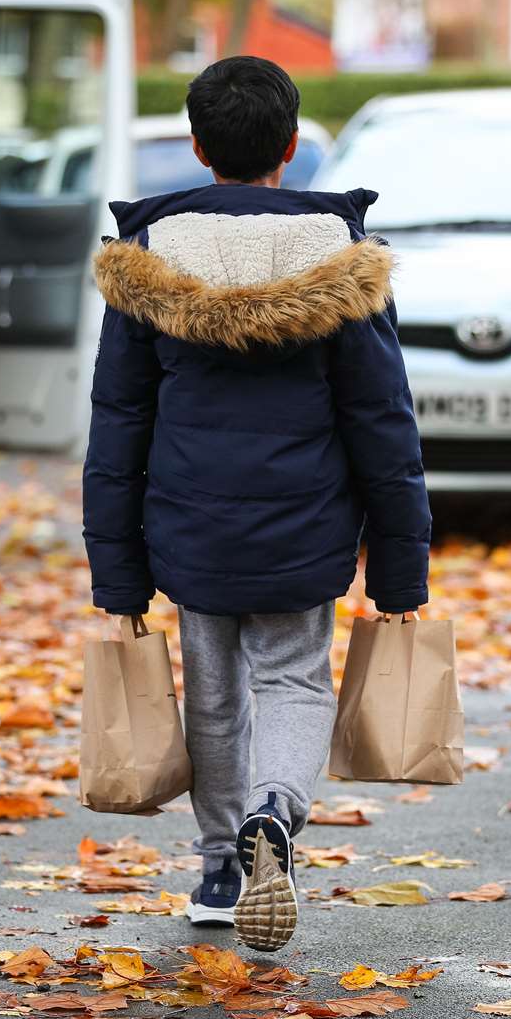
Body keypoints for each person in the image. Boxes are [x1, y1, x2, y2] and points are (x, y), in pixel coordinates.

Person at [82, 56, 430, 953]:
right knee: (291, 677)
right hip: (307, 525)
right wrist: (400, 566)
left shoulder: (145, 263)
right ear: (290, 146)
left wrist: (116, 574)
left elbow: (118, 428)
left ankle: (216, 866)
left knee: (214, 692)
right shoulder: (341, 262)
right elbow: (382, 424)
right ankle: (275, 814)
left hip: (189, 527)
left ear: (198, 148)